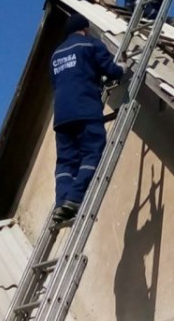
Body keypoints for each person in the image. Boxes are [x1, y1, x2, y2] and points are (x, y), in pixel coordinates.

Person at [50, 13, 124, 222]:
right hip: (85, 110)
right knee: (92, 152)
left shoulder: (55, 55)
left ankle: (62, 202)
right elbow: (111, 70)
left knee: (66, 162)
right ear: (85, 29)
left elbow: (57, 82)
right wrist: (122, 70)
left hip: (62, 117)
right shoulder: (90, 45)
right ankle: (74, 198)